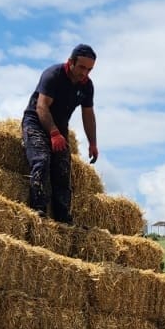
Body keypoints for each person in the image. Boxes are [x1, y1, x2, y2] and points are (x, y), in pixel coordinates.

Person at [22, 44, 99, 224]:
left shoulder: (87, 86)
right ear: (70, 62)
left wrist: (92, 143)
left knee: (63, 171)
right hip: (36, 123)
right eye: (81, 67)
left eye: (89, 69)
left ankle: (63, 219)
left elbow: (88, 114)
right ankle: (38, 212)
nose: (85, 73)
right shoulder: (53, 75)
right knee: (42, 160)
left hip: (60, 128)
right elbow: (42, 106)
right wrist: (53, 133)